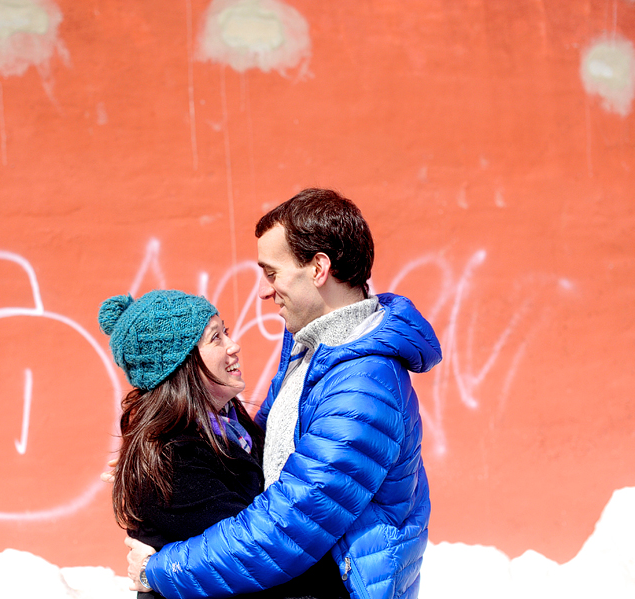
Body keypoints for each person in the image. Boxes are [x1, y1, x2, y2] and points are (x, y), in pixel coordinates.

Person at [125, 189, 443, 599]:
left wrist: (161, 572)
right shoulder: (314, 348)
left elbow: (289, 524)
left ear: (318, 269)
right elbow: (266, 453)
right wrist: (158, 448)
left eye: (272, 273)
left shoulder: (362, 386)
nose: (264, 290)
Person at [100, 289, 348, 599]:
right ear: (181, 365)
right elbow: (258, 551)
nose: (234, 345)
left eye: (226, 332)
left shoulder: (229, 429)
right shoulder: (175, 459)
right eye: (216, 338)